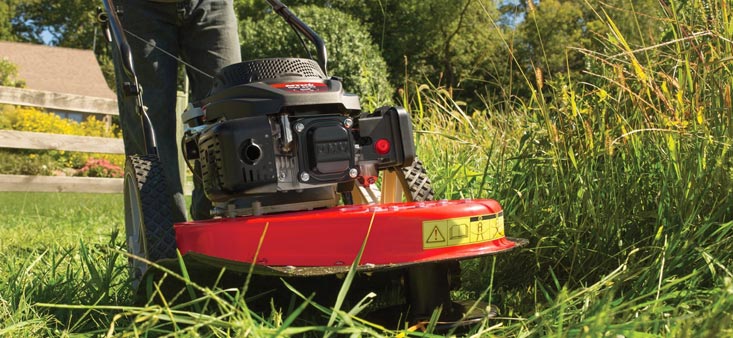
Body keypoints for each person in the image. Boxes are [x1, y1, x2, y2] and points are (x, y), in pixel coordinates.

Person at [113, 0, 241, 222]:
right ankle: (163, 238)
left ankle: (218, 224)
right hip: (139, 8)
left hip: (212, 4)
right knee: (147, 118)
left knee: (226, 107)